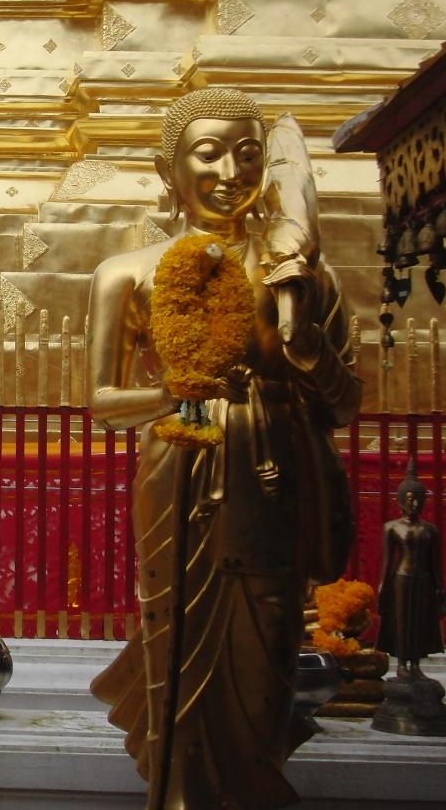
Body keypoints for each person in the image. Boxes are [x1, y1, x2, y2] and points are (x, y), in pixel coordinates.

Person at [87, 88, 360, 809]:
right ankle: (179, 794)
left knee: (267, 639)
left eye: (248, 155)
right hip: (177, 468)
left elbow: (344, 403)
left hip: (272, 472)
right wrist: (175, 392)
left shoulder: (298, 269)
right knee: (175, 637)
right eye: (208, 154)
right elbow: (103, 402)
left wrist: (302, 336)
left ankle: (250, 787)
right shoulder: (127, 273)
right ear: (167, 169)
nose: (231, 173)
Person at [376, 460, 445, 679]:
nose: (414, 504)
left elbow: (435, 562)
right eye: (410, 499)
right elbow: (388, 561)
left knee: (420, 621)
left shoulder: (430, 530)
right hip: (401, 579)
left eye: (419, 499)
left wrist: (439, 586)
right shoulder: (392, 527)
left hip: (423, 579)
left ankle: (416, 663)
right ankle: (401, 663)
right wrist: (382, 586)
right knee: (401, 621)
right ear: (400, 501)